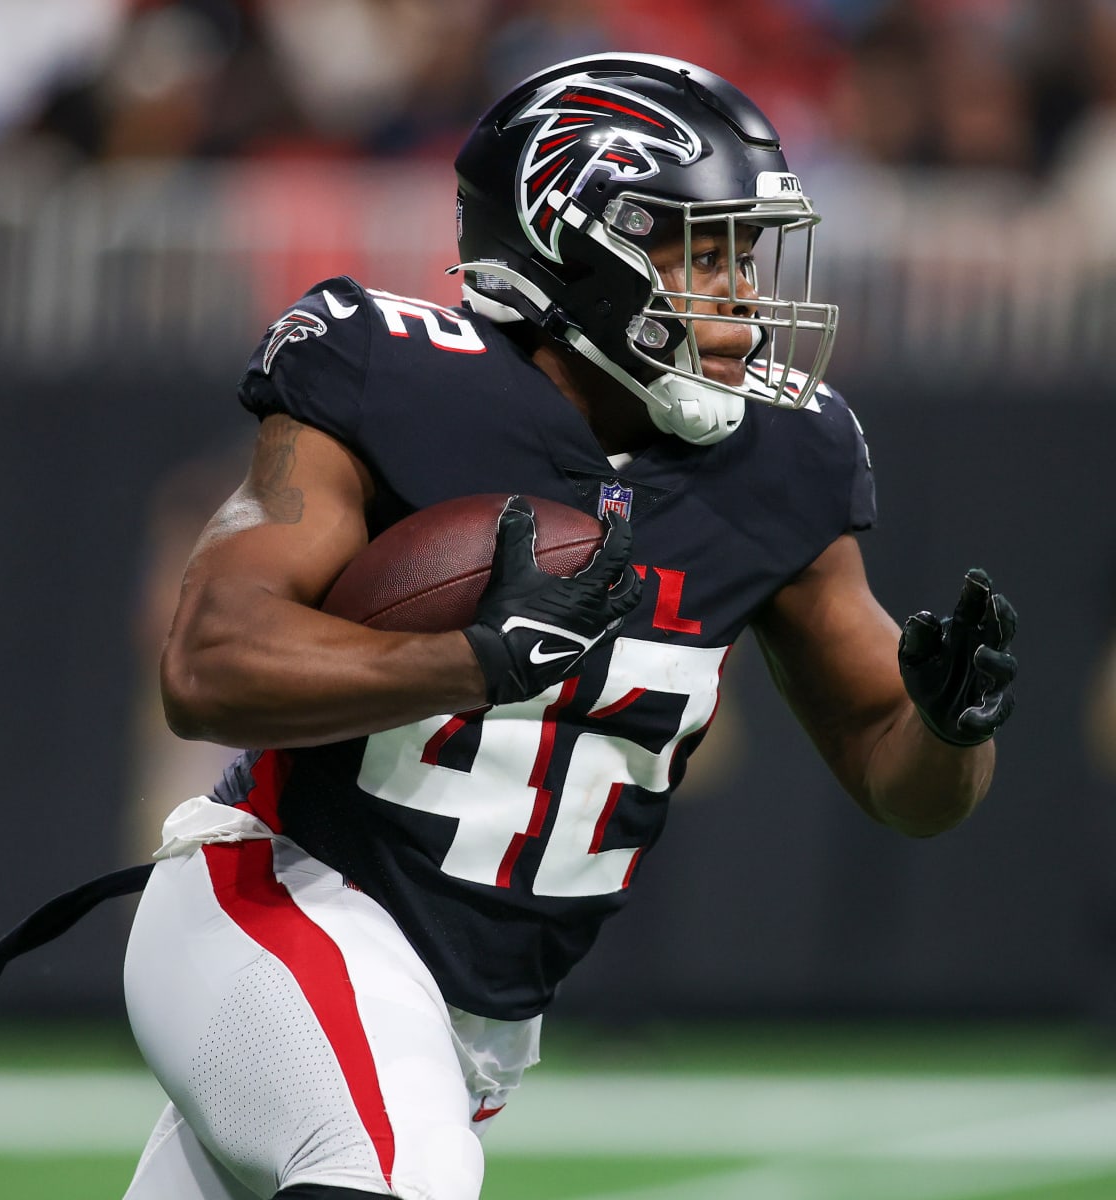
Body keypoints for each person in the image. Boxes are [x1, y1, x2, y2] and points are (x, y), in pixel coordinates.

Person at [114, 50, 1018, 1200]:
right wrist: (466, 659)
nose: (740, 289)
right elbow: (206, 663)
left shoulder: (784, 454)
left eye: (745, 249)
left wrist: (950, 723)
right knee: (402, 1175)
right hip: (279, 903)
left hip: (467, 1015)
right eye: (701, 250)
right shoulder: (393, 376)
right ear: (572, 244)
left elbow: (902, 784)